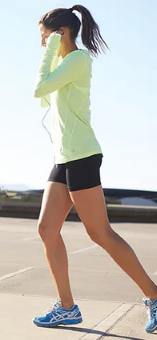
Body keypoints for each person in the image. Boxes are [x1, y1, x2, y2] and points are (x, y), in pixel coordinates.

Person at [32, 5, 157, 333]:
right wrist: (50, 55)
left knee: (100, 233)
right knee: (46, 229)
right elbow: (46, 99)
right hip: (63, 157)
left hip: (82, 155)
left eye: (44, 36)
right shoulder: (63, 62)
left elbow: (38, 89)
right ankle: (67, 307)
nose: (40, 43)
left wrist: (48, 54)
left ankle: (154, 297)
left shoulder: (78, 59)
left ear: (61, 33)